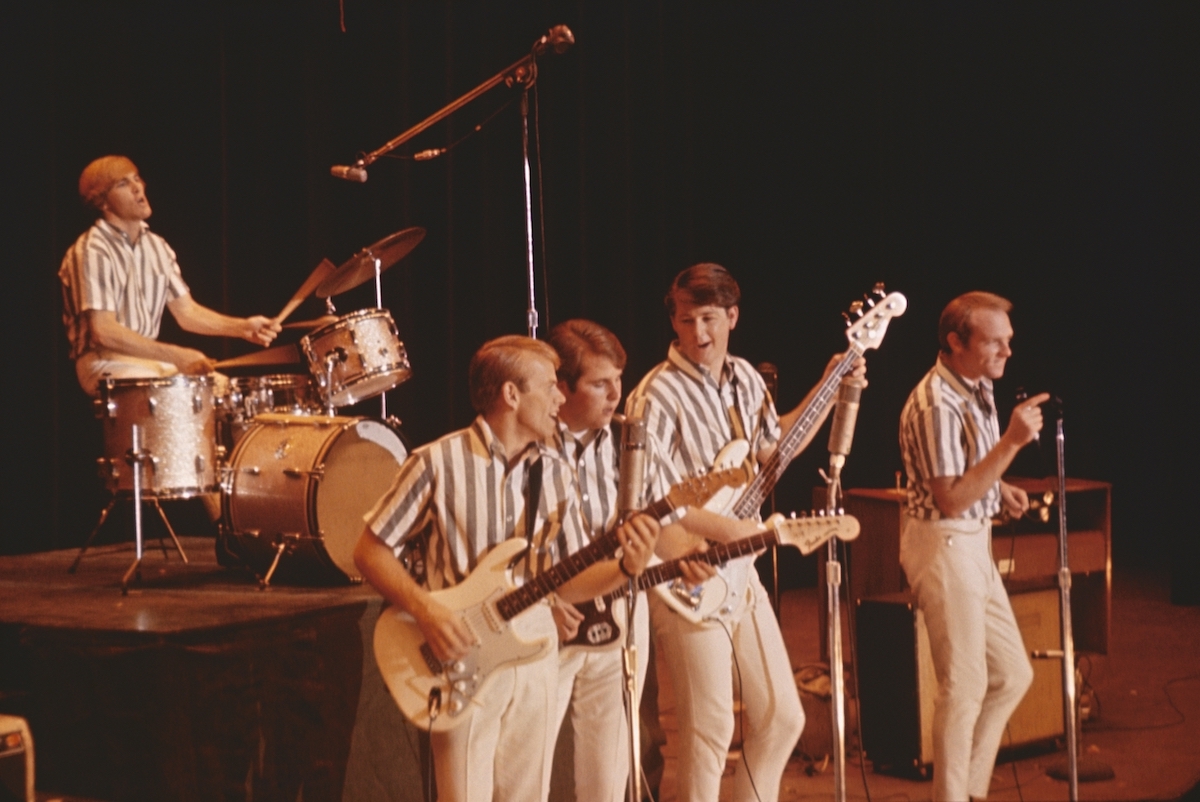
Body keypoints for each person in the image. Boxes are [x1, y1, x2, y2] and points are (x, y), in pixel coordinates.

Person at [353, 334, 660, 802]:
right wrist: (430, 614)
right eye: (549, 386)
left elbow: (568, 579)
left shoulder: (554, 471)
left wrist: (625, 568)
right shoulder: (438, 462)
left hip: (534, 647)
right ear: (511, 395)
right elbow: (370, 551)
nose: (561, 397)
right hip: (460, 649)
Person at [626, 263, 865, 802]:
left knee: (783, 716)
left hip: (738, 567)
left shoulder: (744, 378)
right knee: (706, 731)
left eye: (709, 319)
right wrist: (732, 529)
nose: (698, 335)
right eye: (686, 322)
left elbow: (769, 452)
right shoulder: (654, 396)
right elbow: (651, 502)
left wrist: (830, 387)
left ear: (732, 316)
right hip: (682, 570)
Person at [545, 319, 725, 802]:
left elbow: (666, 524)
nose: (615, 394)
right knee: (529, 770)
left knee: (607, 775)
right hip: (548, 618)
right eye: (600, 383)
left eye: (618, 380)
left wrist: (688, 556)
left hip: (620, 611)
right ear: (561, 388)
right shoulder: (532, 444)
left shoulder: (631, 441)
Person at [898, 291, 1046, 802]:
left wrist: (1000, 487)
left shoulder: (975, 384)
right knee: (962, 689)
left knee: (1011, 673)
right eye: (994, 342)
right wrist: (1011, 443)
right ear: (956, 342)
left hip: (972, 543)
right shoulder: (937, 402)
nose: (1006, 352)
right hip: (944, 544)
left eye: (1008, 341)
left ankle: (969, 791)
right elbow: (953, 498)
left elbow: (968, 471)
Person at [59, 155, 280, 396]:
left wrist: (243, 327)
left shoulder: (157, 246)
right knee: (178, 391)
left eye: (137, 179)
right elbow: (104, 331)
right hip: (104, 362)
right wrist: (177, 356)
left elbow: (188, 313)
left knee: (228, 391)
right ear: (102, 202)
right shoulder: (91, 249)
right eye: (123, 184)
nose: (138, 188)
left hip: (146, 360)